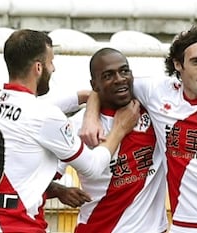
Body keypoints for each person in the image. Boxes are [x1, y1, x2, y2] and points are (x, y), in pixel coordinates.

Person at [81, 7, 197, 233]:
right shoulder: (158, 93)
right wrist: (90, 116)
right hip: (181, 226)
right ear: (179, 65)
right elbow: (109, 86)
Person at [0, 29, 138, 232]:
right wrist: (119, 129)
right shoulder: (44, 116)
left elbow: (40, 110)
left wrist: (90, 102)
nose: (53, 69)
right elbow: (92, 166)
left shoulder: (14, 104)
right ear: (39, 67)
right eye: (51, 62)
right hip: (19, 225)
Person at [57, 47, 169, 232]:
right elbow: (39, 176)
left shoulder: (155, 111)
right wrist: (59, 191)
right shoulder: (79, 126)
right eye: (108, 75)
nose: (119, 79)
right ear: (95, 85)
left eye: (124, 71)